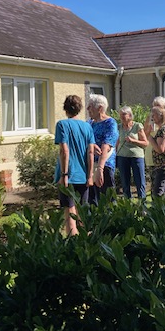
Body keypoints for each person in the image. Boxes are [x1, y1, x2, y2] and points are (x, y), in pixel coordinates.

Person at [54, 95, 95, 235]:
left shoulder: (62, 125)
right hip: (84, 175)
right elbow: (91, 152)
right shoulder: (87, 127)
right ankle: (85, 240)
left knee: (69, 210)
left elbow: (64, 151)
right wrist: (90, 176)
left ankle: (73, 241)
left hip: (69, 175)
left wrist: (64, 175)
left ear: (65, 108)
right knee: (82, 211)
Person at [87, 94, 119, 205]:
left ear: (100, 108)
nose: (87, 109)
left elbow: (106, 146)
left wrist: (100, 169)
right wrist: (91, 145)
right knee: (92, 201)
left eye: (90, 106)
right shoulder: (89, 123)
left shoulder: (110, 123)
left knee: (108, 200)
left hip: (105, 165)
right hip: (91, 165)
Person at [145, 106, 165, 200]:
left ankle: (158, 207)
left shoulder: (163, 130)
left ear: (160, 116)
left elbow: (160, 149)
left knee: (158, 191)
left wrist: (149, 137)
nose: (152, 118)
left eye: (154, 115)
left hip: (164, 164)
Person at [116, 106, 148, 199]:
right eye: (120, 114)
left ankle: (142, 202)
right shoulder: (118, 127)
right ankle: (127, 203)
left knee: (139, 181)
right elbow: (116, 142)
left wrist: (133, 141)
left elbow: (145, 143)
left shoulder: (137, 126)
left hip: (136, 156)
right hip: (122, 156)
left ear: (130, 115)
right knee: (125, 182)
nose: (121, 116)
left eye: (124, 114)